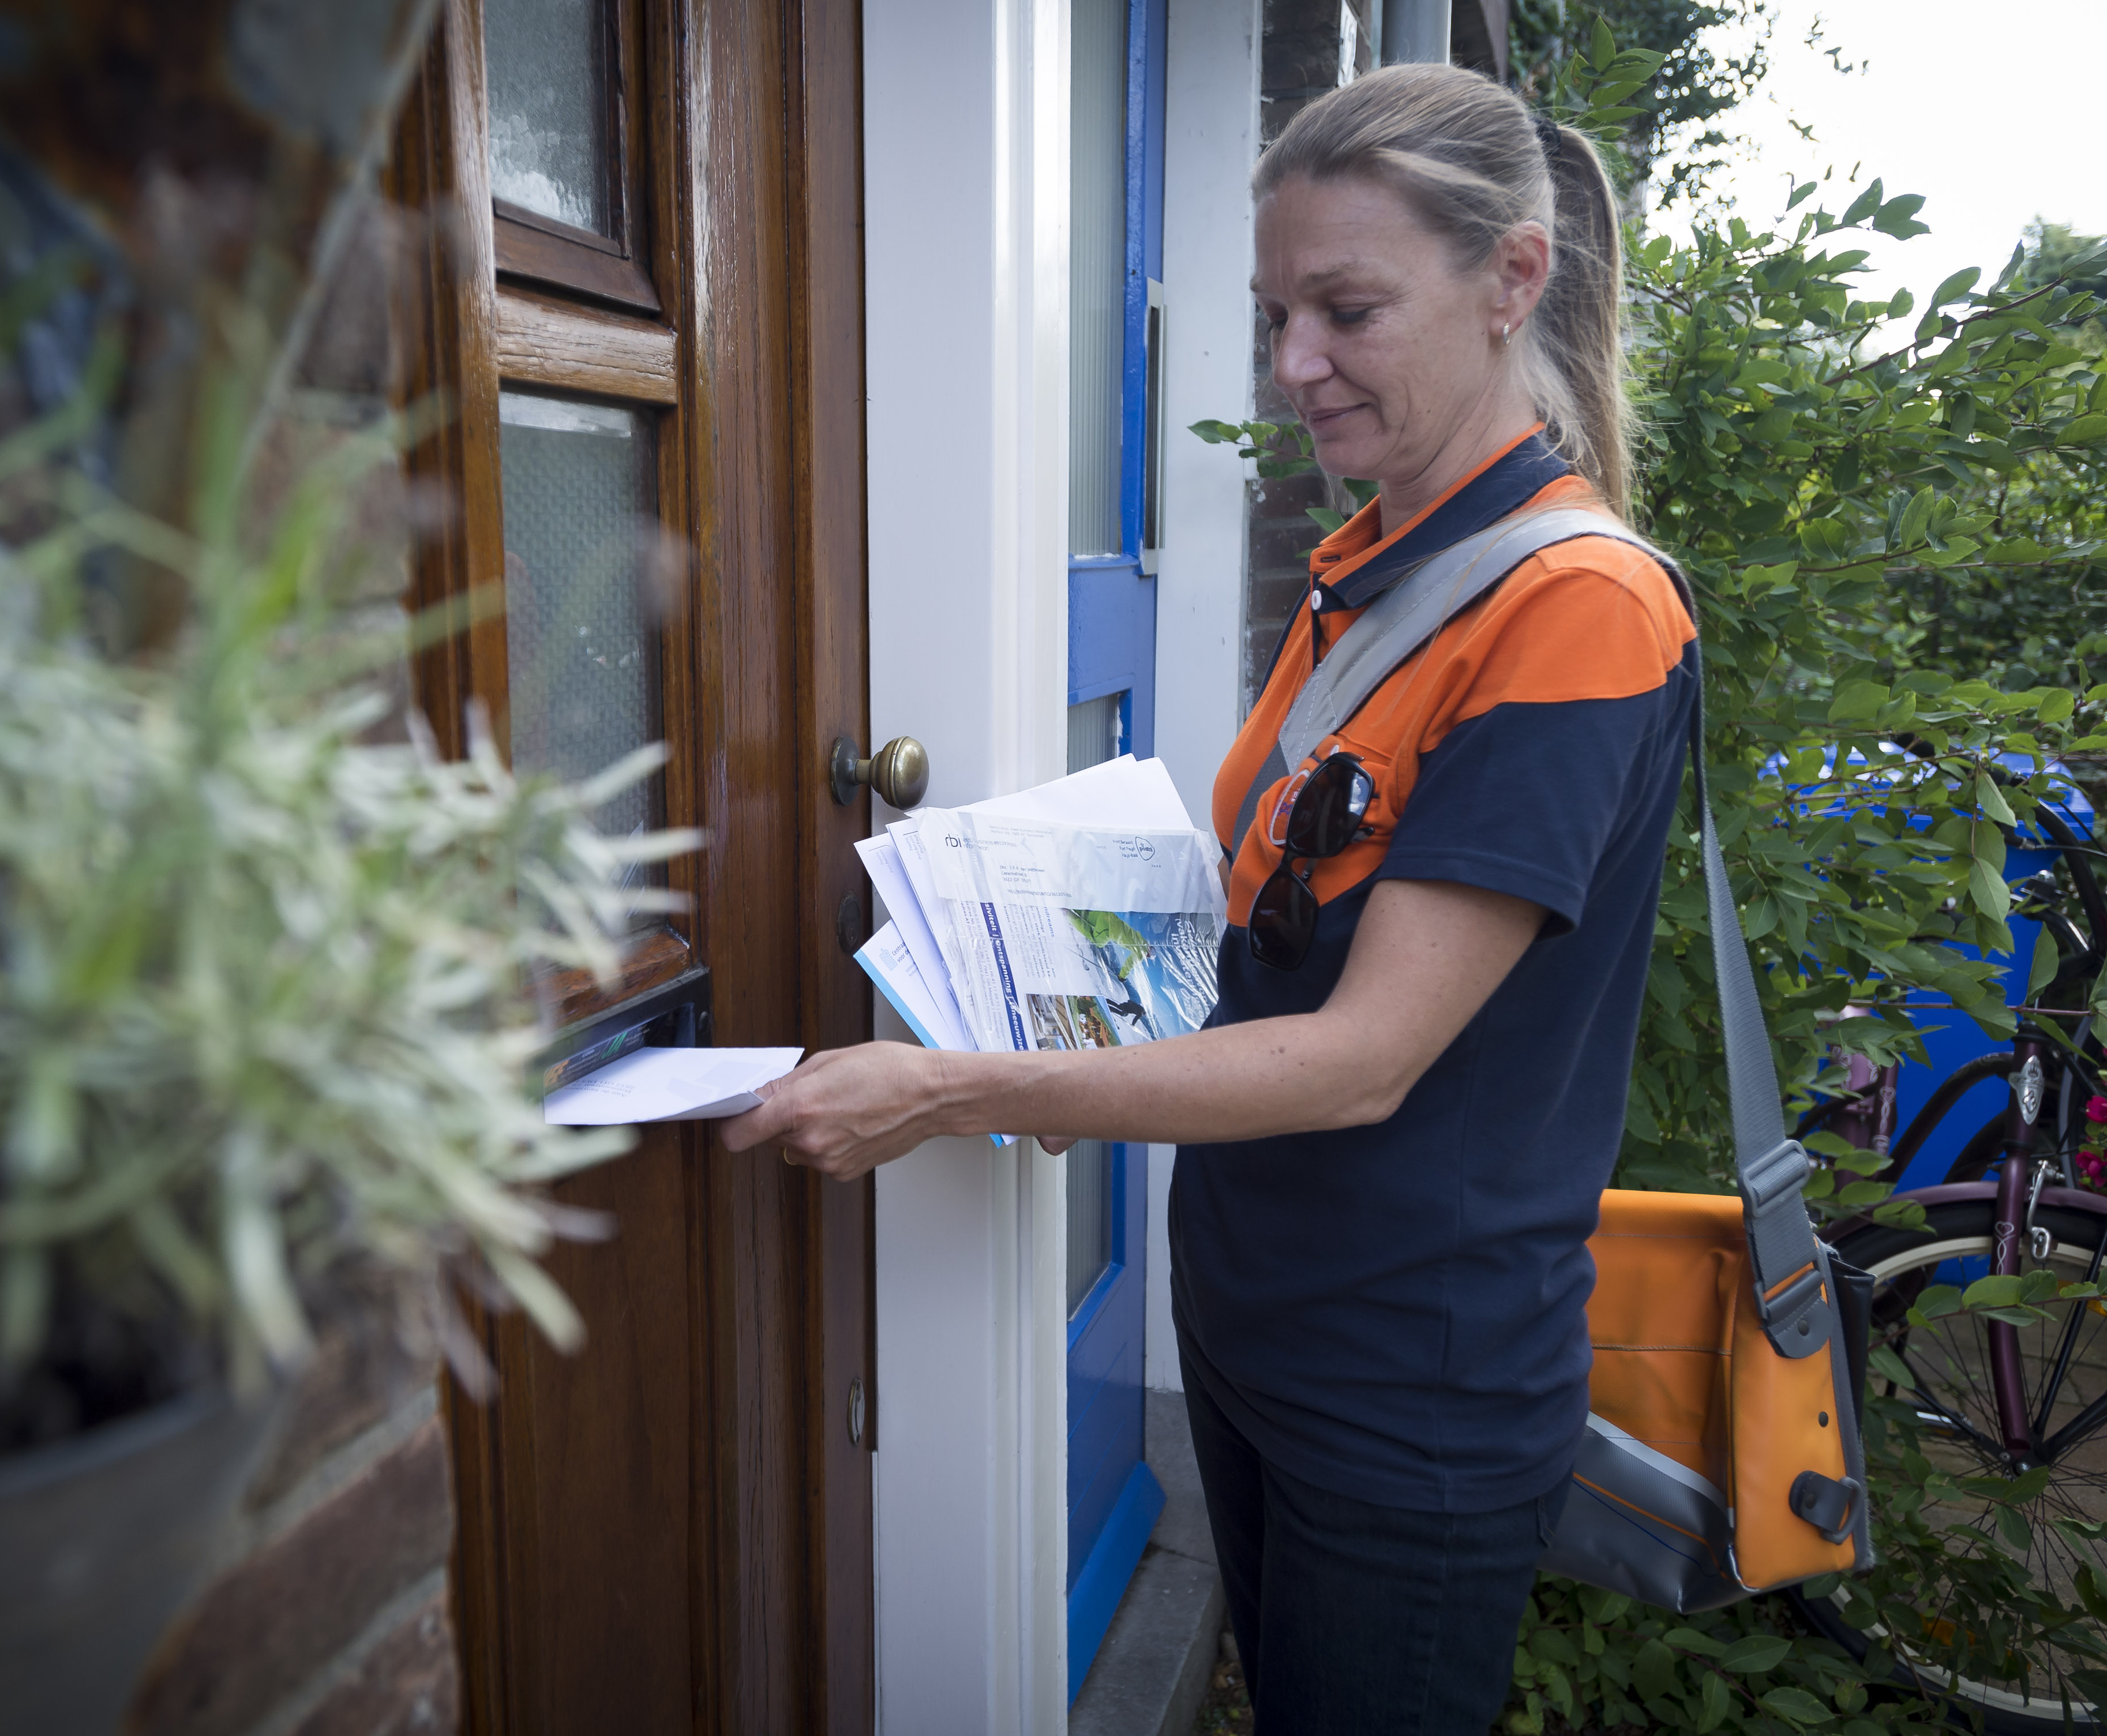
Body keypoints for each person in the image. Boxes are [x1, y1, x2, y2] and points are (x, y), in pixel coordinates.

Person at [723, 62, 1695, 1736]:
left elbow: (1361, 1057)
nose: (1294, 364)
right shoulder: (1371, 563)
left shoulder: (1570, 611)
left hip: (1409, 1382)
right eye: (1272, 313)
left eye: (1347, 308)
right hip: (1261, 1317)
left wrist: (958, 1087)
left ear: (1512, 280)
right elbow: (1274, 926)